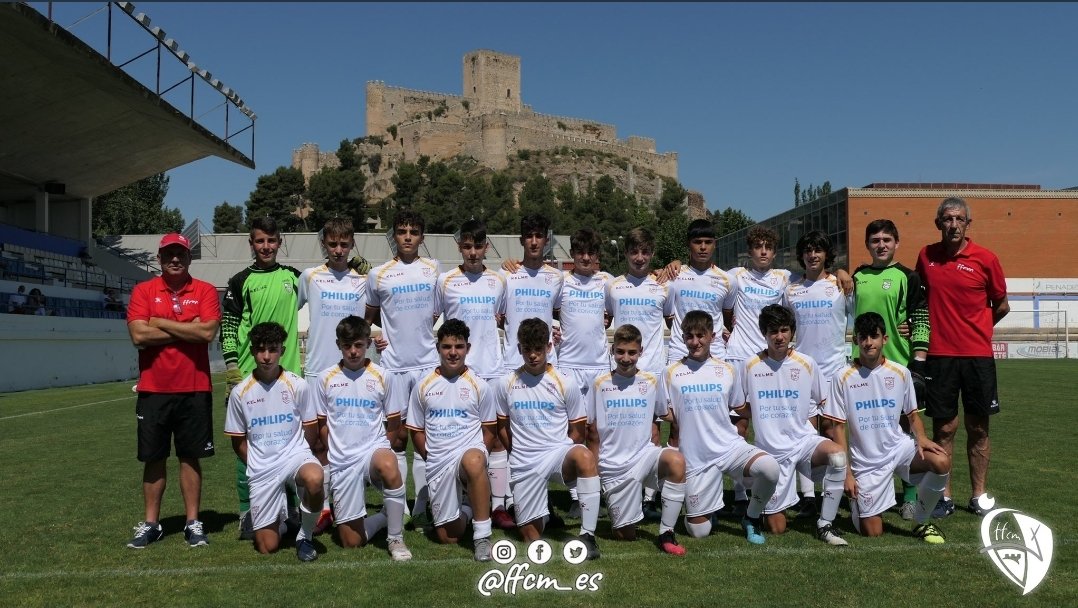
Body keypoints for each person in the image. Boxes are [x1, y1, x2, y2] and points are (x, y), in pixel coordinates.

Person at [125, 232, 220, 549]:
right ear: (159, 258)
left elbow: (206, 332)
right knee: (153, 457)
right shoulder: (143, 290)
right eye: (169, 254)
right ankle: (151, 523)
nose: (175, 259)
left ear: (189, 258)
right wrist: (185, 328)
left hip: (194, 387)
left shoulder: (205, 290)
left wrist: (160, 323)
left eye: (180, 254)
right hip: (154, 389)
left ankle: (193, 522)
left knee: (190, 457)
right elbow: (139, 335)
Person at [915, 197, 1009, 517]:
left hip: (977, 357)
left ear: (968, 223)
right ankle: (944, 497)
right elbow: (919, 300)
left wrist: (980, 328)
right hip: (939, 356)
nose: (953, 224)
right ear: (938, 223)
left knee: (979, 428)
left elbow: (1002, 304)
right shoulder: (925, 257)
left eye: (959, 219)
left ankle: (978, 495)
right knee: (944, 429)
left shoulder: (986, 259)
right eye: (947, 219)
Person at [823, 312, 950, 543]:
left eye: (874, 336)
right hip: (866, 462)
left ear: (885, 339)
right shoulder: (842, 377)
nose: (869, 342)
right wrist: (847, 474)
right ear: (855, 341)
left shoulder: (900, 373)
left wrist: (921, 438)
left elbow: (912, 415)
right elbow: (837, 430)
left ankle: (921, 522)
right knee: (872, 532)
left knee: (941, 461)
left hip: (898, 449)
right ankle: (858, 505)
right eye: (863, 337)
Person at [734, 305, 848, 546]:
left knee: (838, 456)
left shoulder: (807, 363)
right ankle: (752, 515)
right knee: (777, 528)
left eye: (784, 330)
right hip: (771, 451)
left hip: (804, 441)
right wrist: (758, 412)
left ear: (792, 332)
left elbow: (824, 401)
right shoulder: (749, 365)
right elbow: (738, 406)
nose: (779, 337)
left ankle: (825, 524)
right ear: (764, 333)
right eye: (773, 331)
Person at [663, 310, 781, 545]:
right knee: (699, 532)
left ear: (712, 336)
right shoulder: (671, 373)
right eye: (689, 336)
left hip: (728, 448)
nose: (694, 342)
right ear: (682, 338)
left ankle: (751, 517)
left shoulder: (727, 370)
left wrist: (771, 407)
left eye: (700, 335)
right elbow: (666, 413)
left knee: (769, 467)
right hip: (696, 458)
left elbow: (740, 408)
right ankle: (708, 509)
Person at [221, 216, 303, 540]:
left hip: (288, 377)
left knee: (291, 445)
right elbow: (228, 326)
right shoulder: (240, 280)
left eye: (271, 240)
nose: (266, 246)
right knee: (246, 446)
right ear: (251, 243)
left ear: (279, 242)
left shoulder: (295, 278)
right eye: (259, 241)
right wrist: (231, 368)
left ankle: (293, 509)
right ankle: (248, 512)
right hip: (248, 376)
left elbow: (332, 288)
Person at [493, 318, 601, 559]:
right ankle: (544, 510)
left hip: (556, 454)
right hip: (524, 462)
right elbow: (502, 428)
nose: (533, 355)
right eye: (527, 349)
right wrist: (520, 452)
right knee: (531, 536)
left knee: (583, 455)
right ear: (519, 349)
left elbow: (578, 430)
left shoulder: (565, 382)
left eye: (538, 349)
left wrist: (560, 450)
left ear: (549, 347)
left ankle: (588, 535)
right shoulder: (505, 384)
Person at [433, 219, 514, 530]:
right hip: (456, 371)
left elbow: (506, 319)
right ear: (460, 248)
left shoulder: (498, 281)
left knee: (494, 440)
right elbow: (431, 320)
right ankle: (452, 500)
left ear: (486, 248)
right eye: (467, 246)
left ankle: (498, 506)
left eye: (478, 246)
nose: (472, 252)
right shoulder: (445, 281)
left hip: (492, 369)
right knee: (452, 435)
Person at [311, 316, 411, 561]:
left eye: (358, 345)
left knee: (389, 462)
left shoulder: (383, 376)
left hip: (372, 452)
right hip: (343, 461)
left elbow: (395, 423)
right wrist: (336, 450)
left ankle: (396, 538)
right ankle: (386, 516)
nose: (353, 351)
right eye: (347, 346)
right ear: (338, 345)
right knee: (351, 542)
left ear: (368, 342)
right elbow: (322, 425)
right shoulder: (324, 378)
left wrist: (381, 446)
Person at [224, 322, 324, 561]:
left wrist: (300, 453)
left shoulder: (297, 384)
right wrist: (258, 464)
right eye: (260, 349)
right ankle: (280, 518)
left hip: (294, 457)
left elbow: (311, 428)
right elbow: (238, 441)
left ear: (282, 349)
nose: (266, 356)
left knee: (315, 477)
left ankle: (304, 535)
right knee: (267, 547)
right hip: (262, 468)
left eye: (272, 349)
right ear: (252, 351)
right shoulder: (240, 392)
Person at [365, 210, 441, 526]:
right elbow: (365, 319)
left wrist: (422, 335)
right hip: (393, 367)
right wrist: (376, 338)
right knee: (396, 438)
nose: (407, 236)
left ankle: (424, 502)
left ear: (422, 236)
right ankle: (400, 502)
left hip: (427, 365)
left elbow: (441, 311)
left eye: (413, 231)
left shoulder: (434, 270)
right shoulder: (378, 274)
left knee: (427, 437)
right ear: (394, 236)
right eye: (401, 231)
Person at [587, 324, 688, 555]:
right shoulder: (599, 383)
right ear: (613, 351)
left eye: (631, 352)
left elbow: (666, 414)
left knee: (676, 461)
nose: (625, 358)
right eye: (620, 352)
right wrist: (594, 472)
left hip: (644, 456)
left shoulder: (651, 381)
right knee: (625, 536)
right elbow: (591, 432)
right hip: (614, 467)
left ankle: (666, 532)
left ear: (640, 352)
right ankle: (627, 511)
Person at [853, 219, 930, 520]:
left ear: (896, 243)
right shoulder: (857, 276)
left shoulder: (908, 276)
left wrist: (919, 361)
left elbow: (921, 317)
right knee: (866, 430)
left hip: (897, 365)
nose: (881, 245)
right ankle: (869, 489)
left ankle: (909, 496)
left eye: (887, 239)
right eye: (875, 240)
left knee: (904, 430)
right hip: (860, 366)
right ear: (868, 245)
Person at [299, 218, 369, 534]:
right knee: (317, 444)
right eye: (332, 244)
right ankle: (324, 507)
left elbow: (374, 319)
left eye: (344, 244)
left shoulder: (363, 280)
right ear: (324, 245)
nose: (338, 250)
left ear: (352, 244)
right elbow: (289, 312)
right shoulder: (309, 277)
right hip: (317, 370)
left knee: (351, 438)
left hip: (352, 373)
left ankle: (350, 502)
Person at [406, 319, 497, 561]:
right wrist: (431, 456)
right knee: (448, 536)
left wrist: (480, 461)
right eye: (447, 347)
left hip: (469, 452)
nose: (453, 353)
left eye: (458, 346)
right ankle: (468, 506)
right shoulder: (423, 385)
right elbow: (416, 431)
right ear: (438, 348)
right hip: (439, 461)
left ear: (468, 348)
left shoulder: (480, 385)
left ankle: (482, 537)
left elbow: (489, 430)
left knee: (475, 460)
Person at [781, 230, 855, 520]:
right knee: (805, 433)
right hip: (803, 373)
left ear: (826, 255)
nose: (813, 255)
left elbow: (856, 314)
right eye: (808, 251)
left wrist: (843, 273)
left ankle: (834, 492)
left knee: (834, 432)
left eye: (818, 251)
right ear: (801, 255)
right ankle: (808, 497)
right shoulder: (791, 289)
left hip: (835, 370)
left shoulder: (840, 285)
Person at [553, 228, 615, 518]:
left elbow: (619, 308)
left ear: (598, 256)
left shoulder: (607, 283)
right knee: (572, 433)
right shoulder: (561, 283)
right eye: (580, 252)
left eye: (591, 252)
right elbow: (544, 309)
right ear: (573, 256)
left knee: (596, 433)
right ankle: (577, 496)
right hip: (568, 367)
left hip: (600, 368)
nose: (586, 257)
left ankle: (596, 492)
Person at [666, 219, 733, 364]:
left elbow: (728, 317)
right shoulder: (673, 275)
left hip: (715, 353)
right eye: (697, 242)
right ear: (688, 243)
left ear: (714, 244)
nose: (703, 247)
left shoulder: (728, 280)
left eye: (708, 242)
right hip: (679, 352)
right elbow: (668, 318)